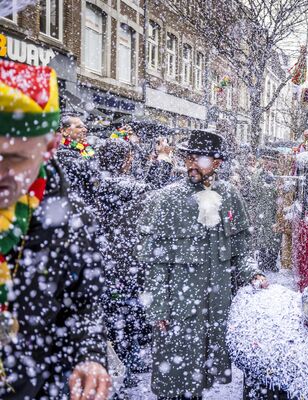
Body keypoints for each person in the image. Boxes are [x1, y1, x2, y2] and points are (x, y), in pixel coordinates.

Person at [0, 60, 110, 398]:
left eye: (16, 159)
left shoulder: (70, 224)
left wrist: (89, 356)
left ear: (48, 149)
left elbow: (85, 303)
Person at [137, 129, 268, 399]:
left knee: (201, 379)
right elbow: (155, 262)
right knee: (173, 382)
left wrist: (253, 273)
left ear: (217, 163)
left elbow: (241, 249)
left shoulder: (230, 196)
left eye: (200, 158)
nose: (191, 164)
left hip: (215, 309)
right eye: (188, 157)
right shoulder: (167, 199)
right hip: (178, 310)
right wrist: (158, 305)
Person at [95, 138, 173, 390]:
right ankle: (125, 363)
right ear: (123, 160)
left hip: (114, 261)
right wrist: (162, 162)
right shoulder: (116, 185)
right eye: (128, 157)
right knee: (125, 314)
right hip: (121, 262)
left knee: (124, 312)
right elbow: (154, 192)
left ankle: (126, 359)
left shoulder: (101, 182)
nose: (130, 161)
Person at [55, 114, 99, 205]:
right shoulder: (60, 151)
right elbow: (93, 171)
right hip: (71, 206)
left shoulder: (83, 148)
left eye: (85, 126)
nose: (85, 130)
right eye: (79, 127)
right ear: (64, 131)